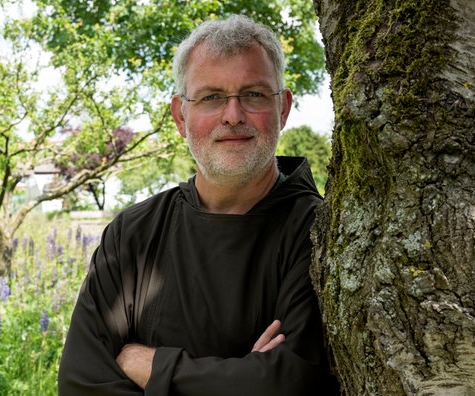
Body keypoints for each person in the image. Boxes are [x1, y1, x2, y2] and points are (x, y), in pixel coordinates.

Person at [58, 14, 339, 395]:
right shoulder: (133, 235)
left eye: (254, 94)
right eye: (211, 97)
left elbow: (288, 385)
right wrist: (239, 377)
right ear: (180, 115)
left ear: (284, 108)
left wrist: (155, 367)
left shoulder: (320, 233)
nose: (233, 115)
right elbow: (83, 385)